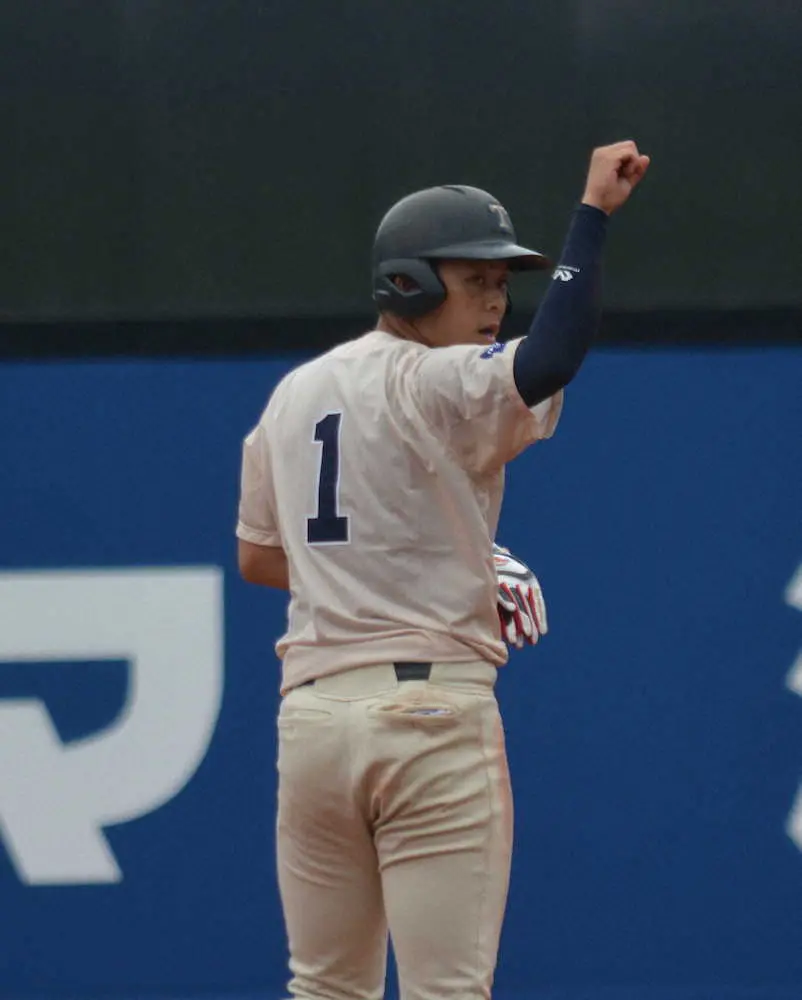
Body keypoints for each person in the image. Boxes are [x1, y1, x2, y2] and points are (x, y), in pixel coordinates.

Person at [236, 140, 650, 1000]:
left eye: (504, 283)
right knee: (447, 991)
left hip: (313, 723)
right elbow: (551, 358)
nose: (498, 300)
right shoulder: (440, 382)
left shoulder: (294, 394)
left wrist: (416, 568)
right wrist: (592, 220)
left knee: (324, 989)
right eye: (475, 281)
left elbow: (260, 557)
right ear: (409, 284)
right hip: (429, 717)